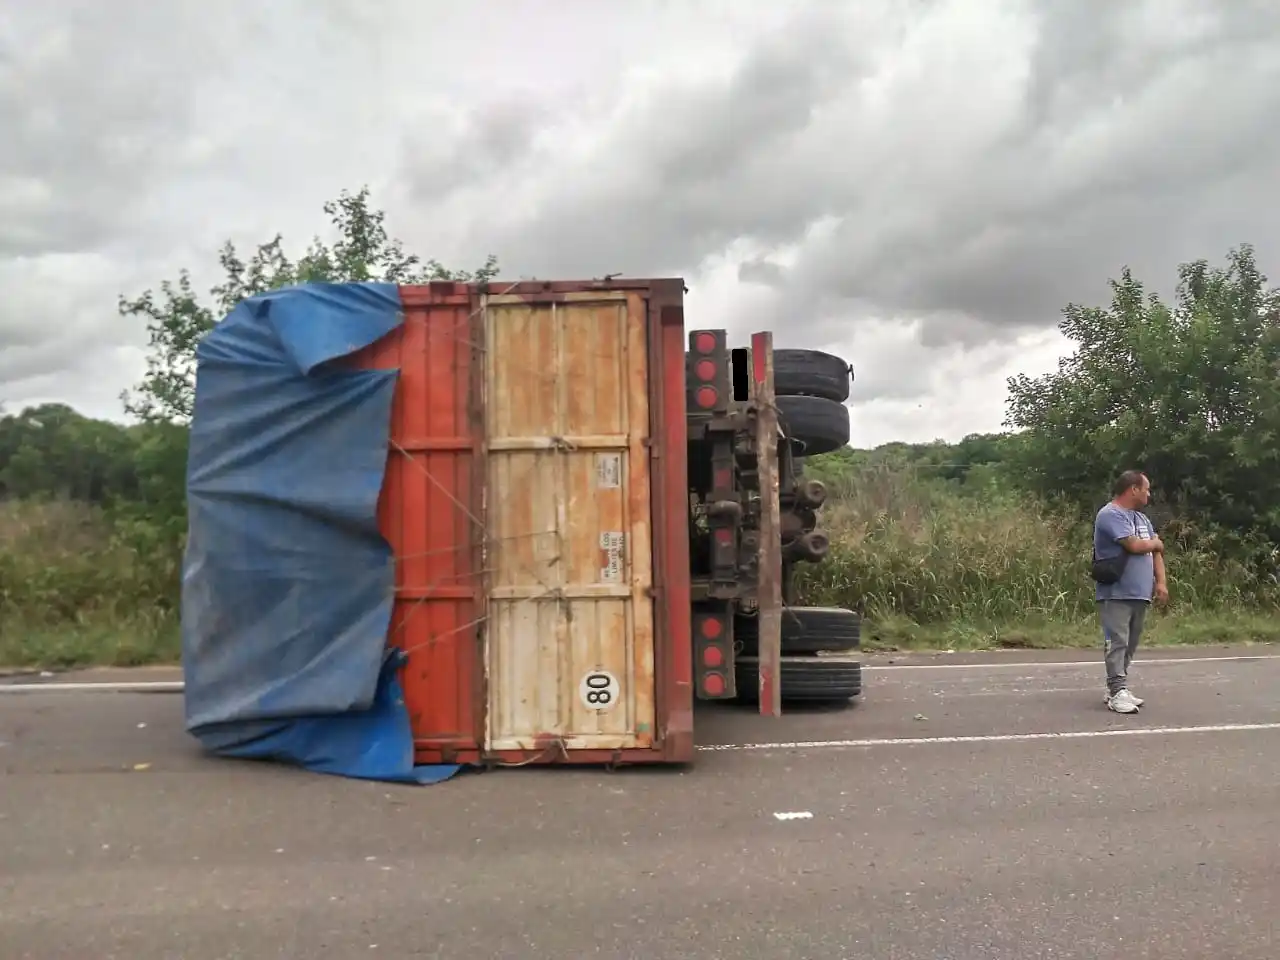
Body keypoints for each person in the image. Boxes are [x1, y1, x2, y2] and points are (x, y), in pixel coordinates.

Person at [1093, 470, 1169, 713]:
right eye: (1146, 488)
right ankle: (1117, 691)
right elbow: (1135, 545)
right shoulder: (1110, 514)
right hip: (1116, 591)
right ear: (1133, 489)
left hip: (1139, 592)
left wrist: (1161, 583)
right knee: (1117, 642)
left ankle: (1117, 687)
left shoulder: (1142, 519)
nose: (1149, 493)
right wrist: (1156, 542)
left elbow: (1156, 552)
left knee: (1130, 643)